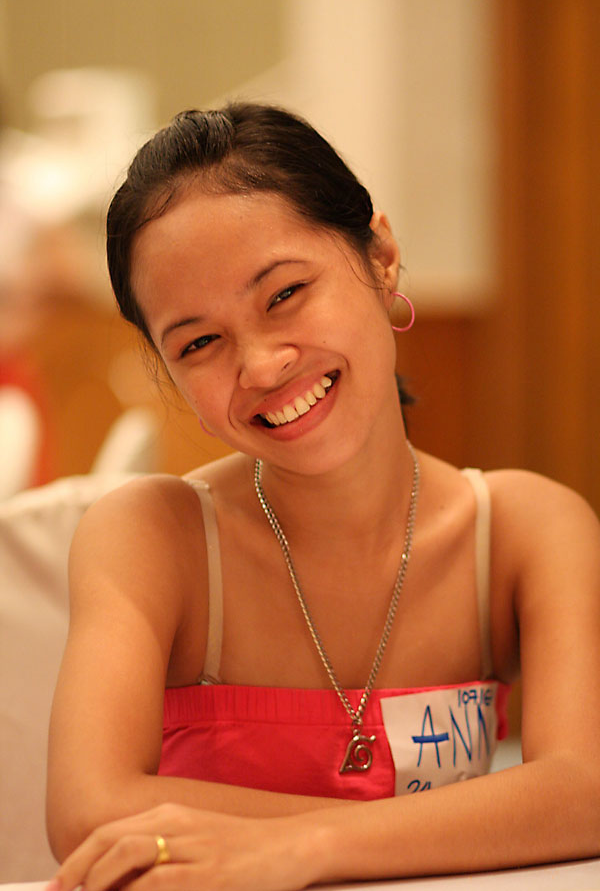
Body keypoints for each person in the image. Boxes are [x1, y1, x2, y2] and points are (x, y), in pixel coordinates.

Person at [46, 103, 600, 890]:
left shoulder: (524, 530)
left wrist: (302, 850)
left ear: (381, 258)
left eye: (285, 294)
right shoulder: (152, 537)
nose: (261, 365)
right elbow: (89, 808)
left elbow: (582, 789)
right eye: (199, 342)